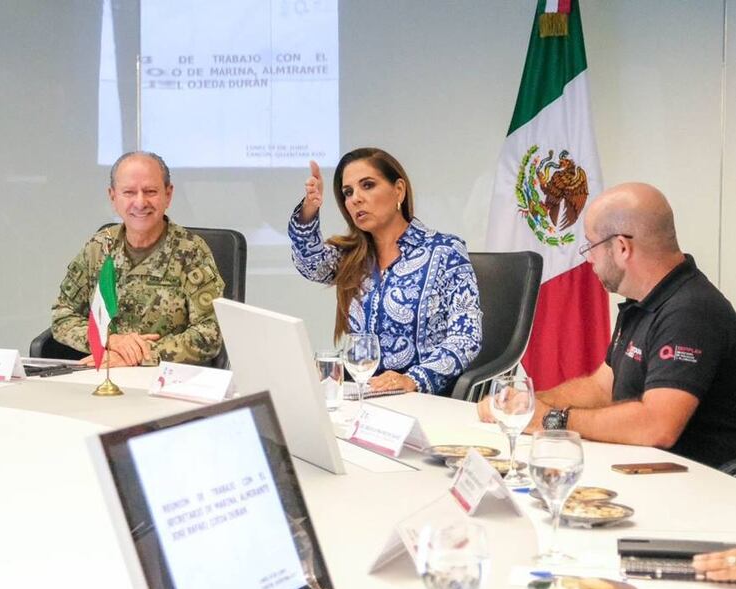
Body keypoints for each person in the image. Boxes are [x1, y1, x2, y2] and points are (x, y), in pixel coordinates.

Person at [478, 183, 736, 470]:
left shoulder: (692, 310)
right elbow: (602, 387)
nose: (589, 259)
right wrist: (527, 404)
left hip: (695, 489)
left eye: (591, 246)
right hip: (643, 469)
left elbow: (657, 425)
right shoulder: (643, 301)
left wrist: (554, 420)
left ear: (623, 247)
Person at [288, 148, 482, 395]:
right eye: (348, 193)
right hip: (362, 395)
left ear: (398, 190)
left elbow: (466, 338)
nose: (355, 198)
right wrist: (309, 209)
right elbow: (310, 263)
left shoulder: (445, 252)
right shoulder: (351, 256)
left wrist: (414, 379)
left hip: (422, 399)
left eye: (367, 185)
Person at [50, 151, 224, 367]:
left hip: (167, 381)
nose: (140, 202)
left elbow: (209, 335)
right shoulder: (99, 248)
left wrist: (139, 355)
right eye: (129, 192)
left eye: (150, 191)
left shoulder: (191, 252)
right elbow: (62, 316)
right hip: (105, 374)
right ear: (113, 197)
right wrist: (108, 341)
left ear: (168, 195)